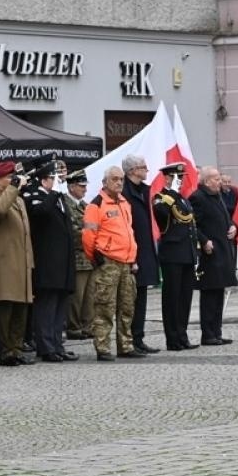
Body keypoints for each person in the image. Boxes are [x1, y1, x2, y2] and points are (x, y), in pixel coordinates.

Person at [82, 165, 142, 361]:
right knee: (104, 306)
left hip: (126, 262)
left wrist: (132, 258)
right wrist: (96, 257)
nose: (119, 182)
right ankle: (103, 347)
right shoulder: (96, 205)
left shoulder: (124, 203)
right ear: (105, 182)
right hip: (107, 262)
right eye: (115, 179)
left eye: (121, 179)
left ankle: (125, 345)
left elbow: (129, 233)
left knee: (127, 307)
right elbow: (89, 236)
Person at [0, 161, 35, 367]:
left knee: (20, 308)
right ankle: (5, 351)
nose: (12, 181)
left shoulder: (18, 201)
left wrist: (30, 261)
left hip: (20, 261)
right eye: (8, 178)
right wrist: (13, 187)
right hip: (4, 262)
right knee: (5, 307)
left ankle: (16, 348)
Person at [24, 161, 77, 363]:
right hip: (47, 261)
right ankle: (46, 347)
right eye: (54, 178)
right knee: (46, 306)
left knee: (59, 306)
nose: (58, 182)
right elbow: (40, 214)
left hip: (62, 262)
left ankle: (57, 344)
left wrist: (55, 194)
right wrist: (53, 193)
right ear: (45, 179)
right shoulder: (35, 195)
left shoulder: (57, 197)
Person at [190, 166, 238, 344]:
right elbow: (193, 225)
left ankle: (216, 331)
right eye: (217, 179)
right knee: (209, 295)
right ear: (207, 181)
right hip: (210, 254)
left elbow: (226, 218)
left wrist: (234, 227)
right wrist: (204, 241)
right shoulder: (198, 198)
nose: (220, 182)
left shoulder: (217, 196)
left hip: (223, 251)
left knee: (219, 294)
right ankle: (208, 334)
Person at [153, 163, 198, 350]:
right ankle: (172, 338)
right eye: (177, 178)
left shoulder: (183, 200)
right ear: (168, 178)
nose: (181, 182)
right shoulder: (161, 198)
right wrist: (170, 193)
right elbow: (162, 215)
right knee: (172, 298)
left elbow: (190, 225)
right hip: (172, 255)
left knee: (185, 298)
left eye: (182, 178)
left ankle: (182, 334)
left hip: (186, 254)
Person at [121, 155, 160, 355]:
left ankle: (138, 338)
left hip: (145, 250)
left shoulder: (145, 191)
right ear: (132, 171)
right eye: (143, 167)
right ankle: (128, 341)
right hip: (130, 254)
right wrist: (132, 257)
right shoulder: (124, 193)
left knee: (142, 296)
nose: (147, 170)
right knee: (129, 301)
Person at [63, 170, 95, 339]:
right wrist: (90, 233)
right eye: (81, 186)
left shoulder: (85, 205)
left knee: (90, 296)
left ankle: (88, 326)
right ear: (72, 186)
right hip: (77, 258)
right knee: (77, 296)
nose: (84, 189)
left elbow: (95, 227)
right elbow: (75, 232)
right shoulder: (66, 204)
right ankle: (74, 327)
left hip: (89, 258)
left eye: (85, 186)